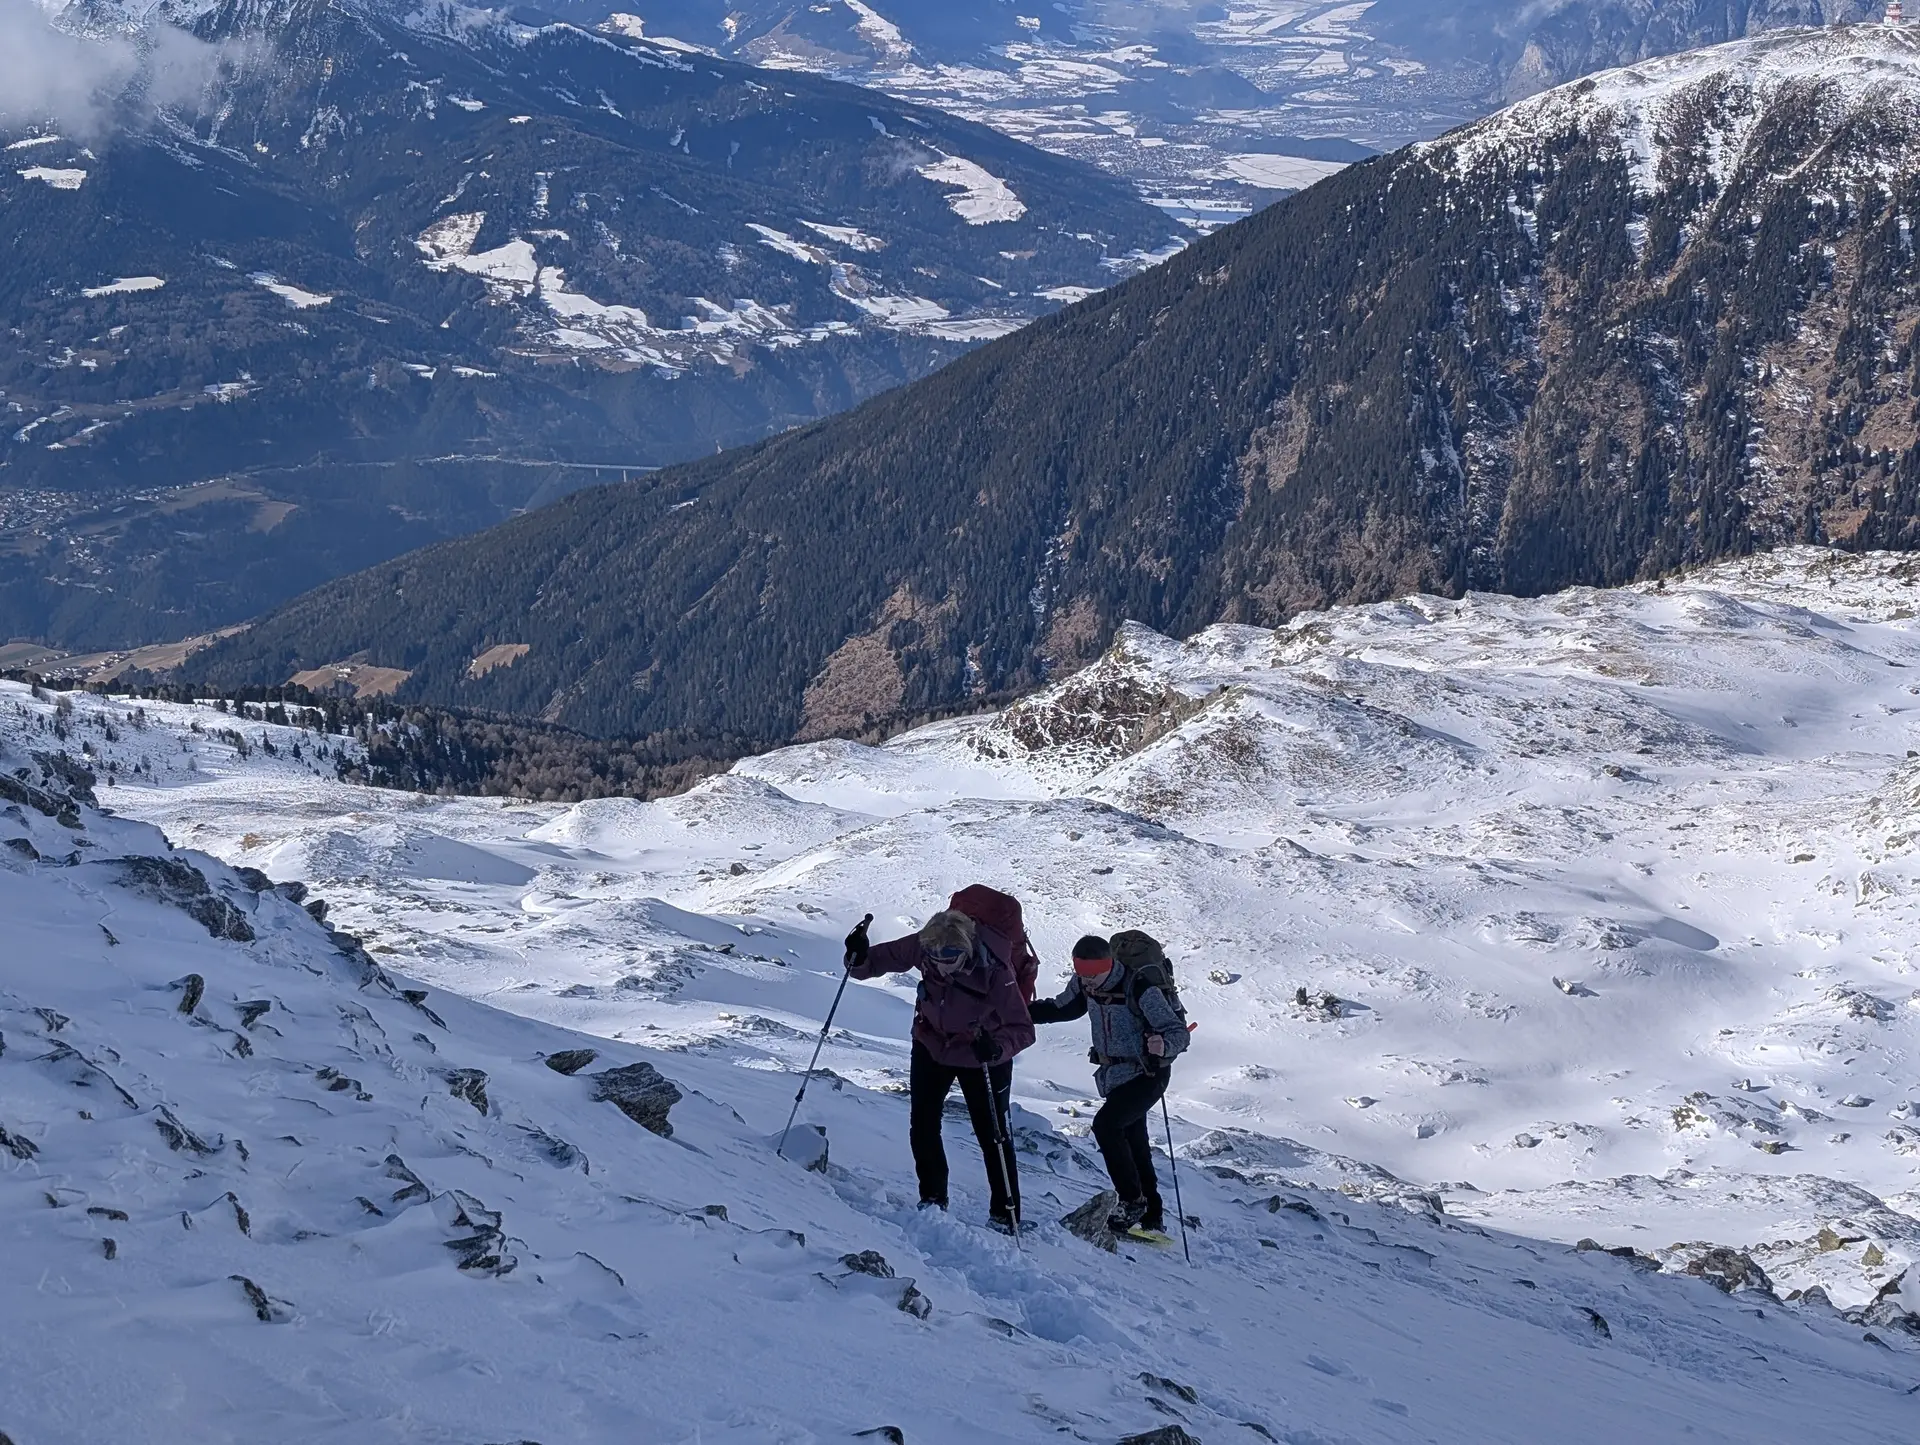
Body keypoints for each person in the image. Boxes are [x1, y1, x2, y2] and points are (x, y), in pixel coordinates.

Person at [846, 906, 1036, 1232]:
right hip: (931, 1043)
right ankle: (933, 1199)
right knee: (923, 1124)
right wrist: (857, 955)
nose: (940, 965)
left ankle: (1007, 1214)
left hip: (981, 1054)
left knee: (993, 1135)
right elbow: (872, 964)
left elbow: (1022, 1028)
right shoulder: (927, 944)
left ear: (967, 948)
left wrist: (997, 1048)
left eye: (949, 957)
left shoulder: (996, 970)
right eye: (934, 958)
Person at [1029, 932, 1189, 1236]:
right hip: (1115, 1076)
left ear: (1109, 964)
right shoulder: (1083, 984)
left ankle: (1130, 1202)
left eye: (1093, 974)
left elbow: (1179, 1033)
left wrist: (1164, 1045)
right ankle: (1151, 1216)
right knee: (1134, 1141)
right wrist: (1020, 1014)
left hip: (1147, 1074)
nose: (1088, 982)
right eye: (1082, 974)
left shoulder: (1139, 988)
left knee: (1106, 1126)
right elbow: (1062, 1009)